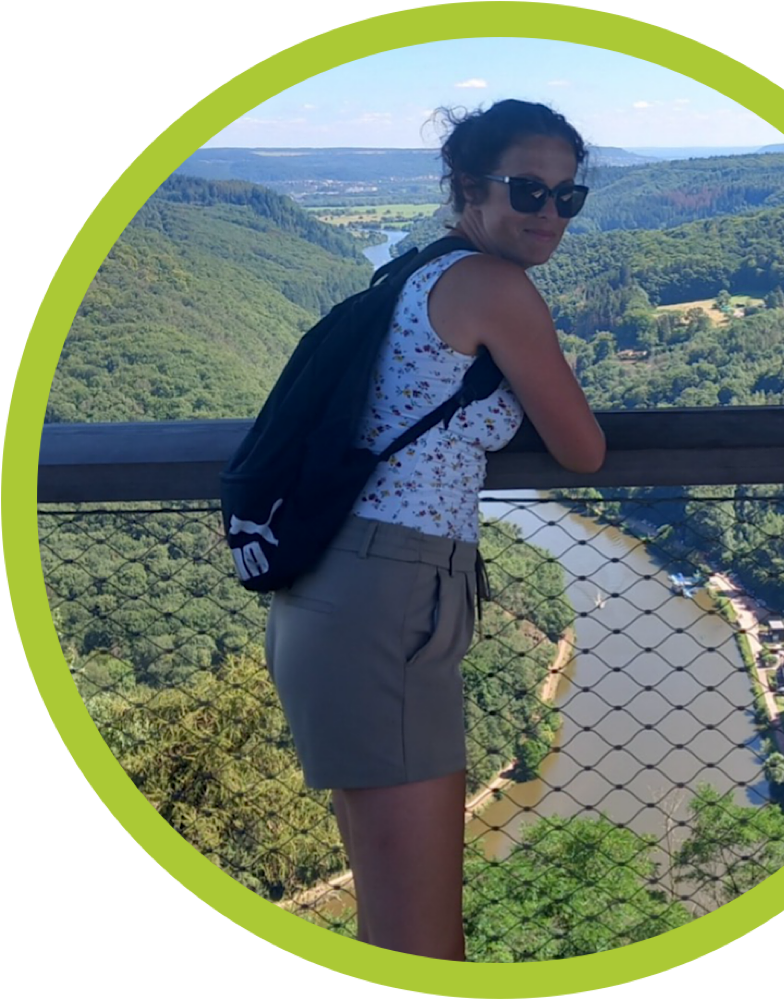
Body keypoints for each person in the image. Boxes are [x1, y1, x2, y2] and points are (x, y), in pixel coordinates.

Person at [264, 99, 605, 961]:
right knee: (424, 946)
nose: (549, 214)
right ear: (468, 185)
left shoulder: (416, 272)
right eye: (528, 190)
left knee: (389, 931)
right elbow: (583, 448)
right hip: (390, 598)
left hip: (337, 591)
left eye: (568, 196)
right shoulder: (496, 287)